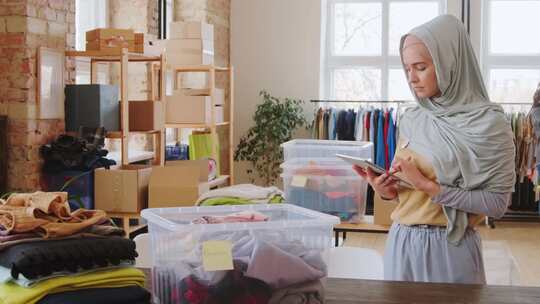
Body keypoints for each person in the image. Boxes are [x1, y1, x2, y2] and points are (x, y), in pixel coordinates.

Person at [354, 15, 516, 284]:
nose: (412, 79)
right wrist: (385, 191)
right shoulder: (412, 119)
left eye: (420, 67)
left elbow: (498, 205)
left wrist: (430, 187)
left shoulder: (490, 124)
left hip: (451, 248)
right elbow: (406, 195)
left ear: (449, 63)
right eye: (407, 69)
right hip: (401, 242)